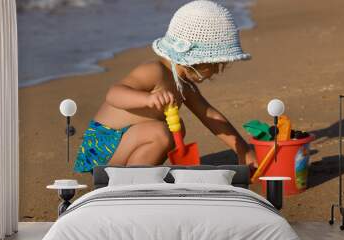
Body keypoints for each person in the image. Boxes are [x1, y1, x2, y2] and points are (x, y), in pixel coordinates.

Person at [73, 0, 258, 174]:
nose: (217, 71)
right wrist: (147, 99)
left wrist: (243, 150)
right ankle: (131, 181)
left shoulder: (184, 84)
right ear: (199, 60)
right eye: (216, 65)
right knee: (161, 133)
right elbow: (113, 94)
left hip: (126, 143)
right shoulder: (154, 71)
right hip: (103, 145)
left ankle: (141, 173)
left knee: (175, 129)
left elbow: (209, 115)